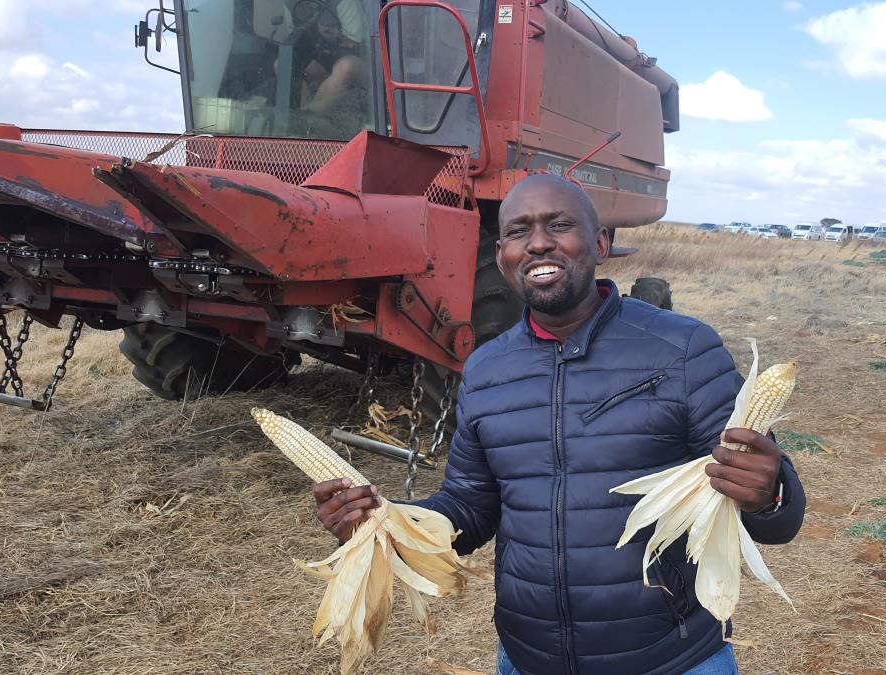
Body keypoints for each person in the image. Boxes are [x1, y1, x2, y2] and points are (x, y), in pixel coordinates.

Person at [312, 175, 806, 674]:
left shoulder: (684, 350)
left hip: (671, 658)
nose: (539, 242)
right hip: (528, 659)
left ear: (600, 242)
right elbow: (469, 507)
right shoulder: (486, 371)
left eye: (560, 225)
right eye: (519, 231)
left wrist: (769, 494)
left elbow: (776, 514)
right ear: (502, 251)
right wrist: (382, 523)